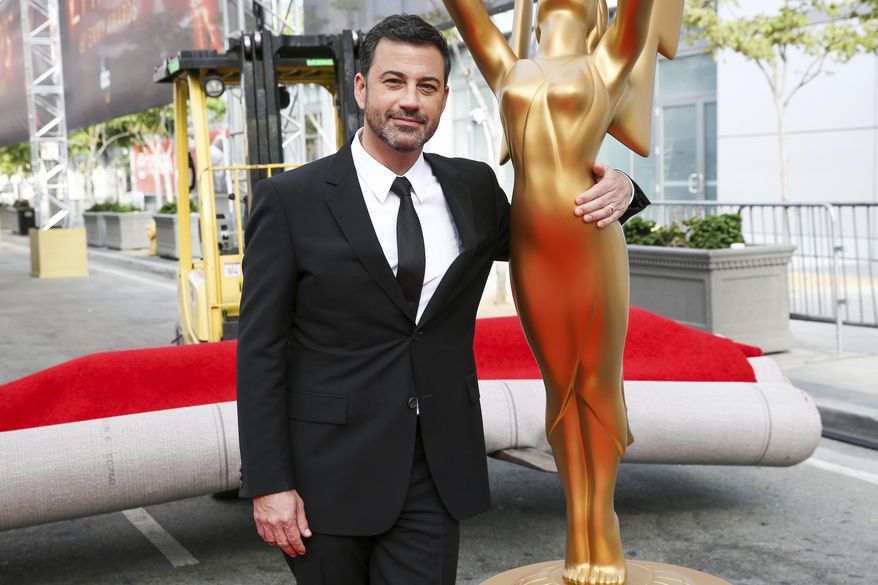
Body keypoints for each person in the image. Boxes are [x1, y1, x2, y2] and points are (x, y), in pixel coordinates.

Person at [236, 13, 649, 585]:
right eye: (393, 82)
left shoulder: (473, 188)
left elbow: (549, 237)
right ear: (361, 88)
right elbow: (259, 354)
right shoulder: (290, 200)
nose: (410, 100)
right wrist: (269, 484)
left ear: (444, 99)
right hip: (323, 481)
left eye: (426, 87)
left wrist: (626, 191)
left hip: (434, 477)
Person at [441, 1, 681, 584]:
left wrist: (628, 183)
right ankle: (579, 524)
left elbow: (639, 13)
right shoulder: (507, 66)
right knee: (560, 387)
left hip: (592, 240)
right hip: (531, 248)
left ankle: (603, 523)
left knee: (597, 383)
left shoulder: (607, 60)